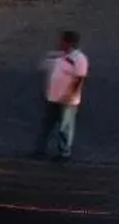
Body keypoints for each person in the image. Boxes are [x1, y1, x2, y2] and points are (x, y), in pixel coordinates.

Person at [36, 30, 88, 160]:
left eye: (63, 41)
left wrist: (70, 95)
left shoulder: (79, 59)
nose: (60, 44)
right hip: (53, 97)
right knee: (46, 125)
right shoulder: (60, 57)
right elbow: (42, 67)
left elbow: (78, 79)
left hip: (67, 100)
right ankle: (40, 150)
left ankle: (64, 153)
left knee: (64, 127)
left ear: (69, 43)